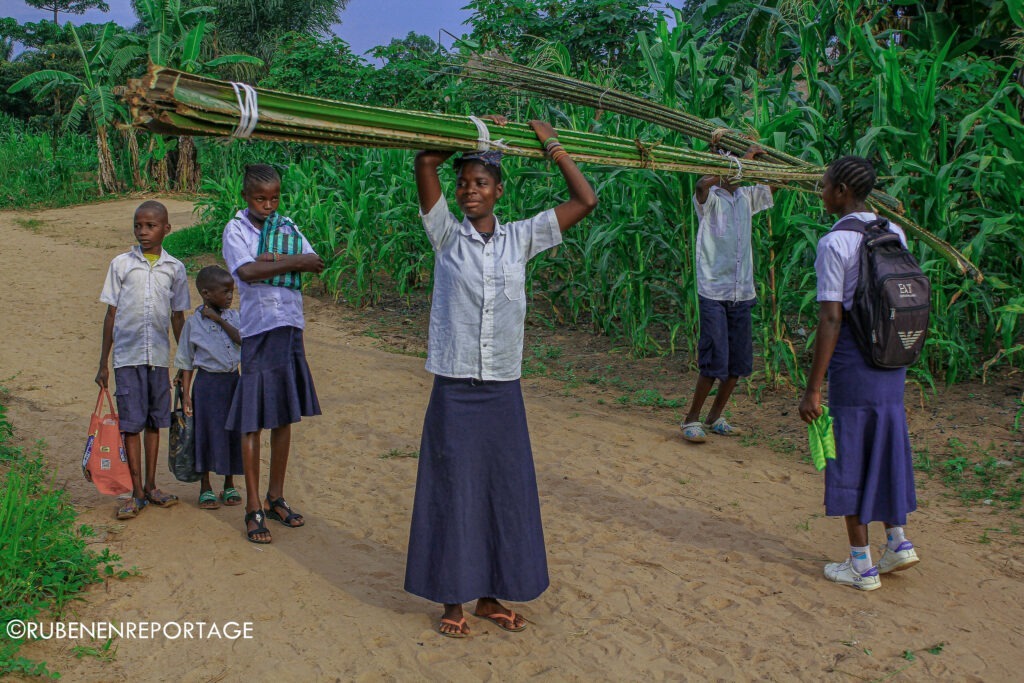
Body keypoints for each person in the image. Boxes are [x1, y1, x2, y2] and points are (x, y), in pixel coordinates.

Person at [405, 118, 598, 638]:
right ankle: (452, 600)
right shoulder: (445, 234)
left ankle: (489, 597)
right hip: (455, 385)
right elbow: (426, 161)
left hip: (501, 388)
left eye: (481, 182)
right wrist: (476, 133)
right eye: (464, 181)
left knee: (499, 489)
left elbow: (585, 201)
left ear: (499, 191)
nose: (469, 190)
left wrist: (551, 146)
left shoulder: (520, 238)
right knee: (451, 487)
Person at [798, 156, 920, 590]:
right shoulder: (893, 231)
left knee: (848, 451)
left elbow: (831, 318)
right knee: (886, 443)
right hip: (891, 358)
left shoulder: (835, 243)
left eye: (825, 185)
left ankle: (861, 565)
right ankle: (898, 542)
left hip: (854, 358)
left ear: (842, 193)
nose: (821, 192)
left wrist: (813, 388)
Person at [221, 164, 325, 544]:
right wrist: (292, 263)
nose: (268, 205)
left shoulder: (287, 225)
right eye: (260, 198)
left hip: (289, 327)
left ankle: (275, 495)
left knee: (284, 416)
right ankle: (253, 507)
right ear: (246, 197)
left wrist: (273, 263)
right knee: (253, 420)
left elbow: (315, 260)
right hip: (258, 330)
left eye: (274, 198)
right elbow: (246, 273)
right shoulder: (235, 230)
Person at [96, 200, 190, 519]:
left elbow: (178, 317)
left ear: (166, 228)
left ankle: (151, 486)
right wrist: (102, 363)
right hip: (126, 358)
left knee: (155, 422)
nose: (143, 232)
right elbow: (111, 314)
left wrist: (186, 359)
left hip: (159, 358)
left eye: (150, 226)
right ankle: (135, 492)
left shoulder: (174, 269)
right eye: (138, 225)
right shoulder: (121, 264)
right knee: (131, 424)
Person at [680, 145, 774, 443]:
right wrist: (738, 164)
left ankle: (714, 416)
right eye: (731, 166)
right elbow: (702, 183)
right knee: (714, 360)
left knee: (738, 364)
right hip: (713, 289)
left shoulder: (746, 197)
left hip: (741, 289)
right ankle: (690, 419)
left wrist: (763, 158)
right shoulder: (709, 198)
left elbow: (775, 183)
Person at [174, 265, 244, 509]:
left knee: (232, 432)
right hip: (207, 385)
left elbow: (242, 340)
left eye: (231, 291)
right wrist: (186, 395)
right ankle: (205, 486)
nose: (229, 296)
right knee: (205, 433)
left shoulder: (234, 317)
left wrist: (219, 320)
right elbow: (186, 361)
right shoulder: (193, 324)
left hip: (233, 382)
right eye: (224, 292)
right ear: (206, 293)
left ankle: (229, 483)